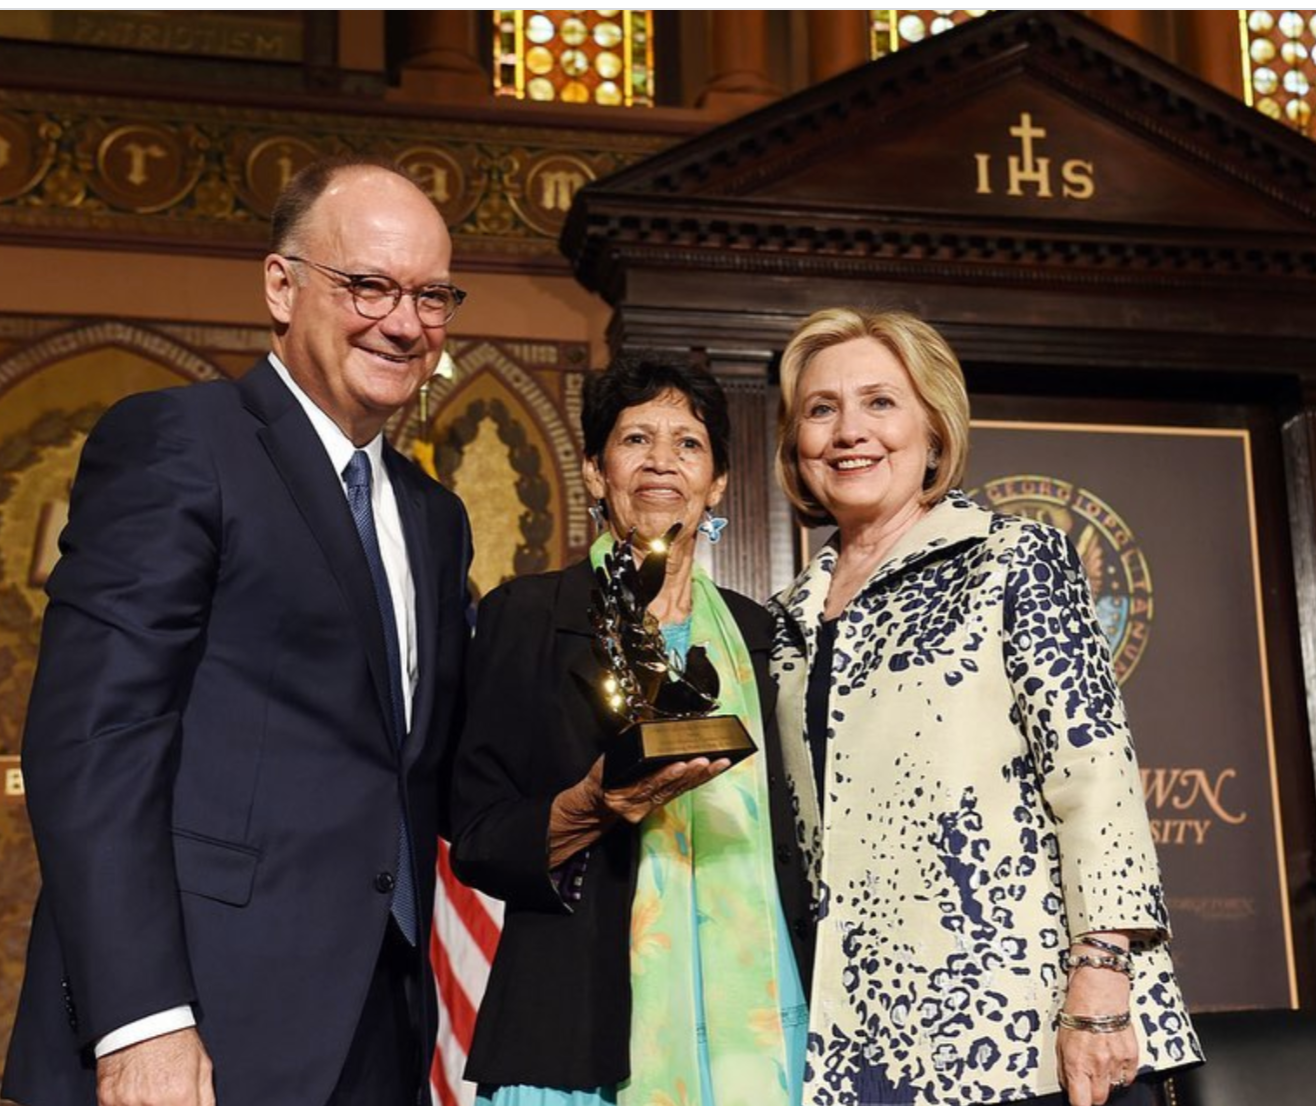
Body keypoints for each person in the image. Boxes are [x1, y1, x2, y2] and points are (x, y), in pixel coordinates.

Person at [4, 156, 473, 1106]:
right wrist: (141, 1021)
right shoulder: (181, 443)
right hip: (198, 1028)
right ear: (280, 284)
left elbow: (419, 768)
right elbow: (94, 743)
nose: (404, 321)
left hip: (378, 1029)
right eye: (369, 285)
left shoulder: (434, 515)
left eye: (432, 295)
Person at [770, 308, 1202, 1106]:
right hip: (858, 1050)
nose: (848, 431)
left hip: (1025, 1036)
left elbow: (1093, 773)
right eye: (820, 409)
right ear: (797, 444)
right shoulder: (786, 618)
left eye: (880, 402)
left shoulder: (1012, 558)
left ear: (934, 430)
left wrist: (1102, 983)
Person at [451, 357, 813, 1106]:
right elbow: (478, 835)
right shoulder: (526, 615)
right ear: (594, 470)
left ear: (716, 484)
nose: (661, 461)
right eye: (635, 439)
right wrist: (589, 806)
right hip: (574, 1023)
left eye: (688, 444)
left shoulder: (763, 635)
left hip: (759, 1023)